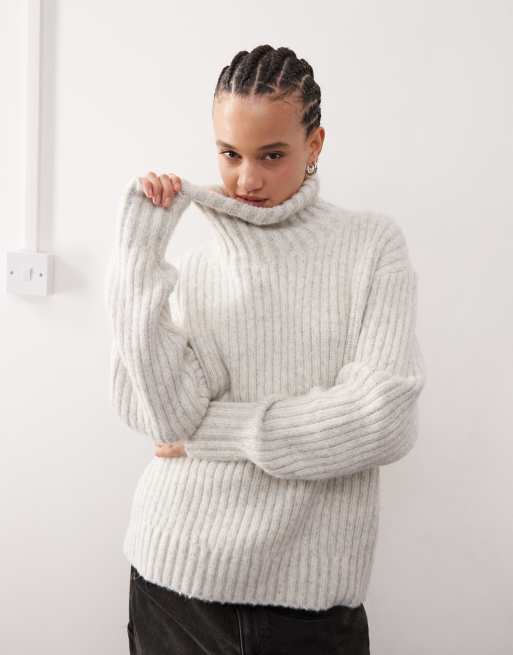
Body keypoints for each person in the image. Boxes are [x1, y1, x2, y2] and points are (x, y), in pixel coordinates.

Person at [105, 44, 426, 654]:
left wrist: (214, 435)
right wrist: (139, 257)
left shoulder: (370, 246)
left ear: (315, 144)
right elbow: (162, 416)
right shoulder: (199, 264)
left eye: (272, 155)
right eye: (230, 154)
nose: (247, 180)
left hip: (308, 605)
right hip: (173, 583)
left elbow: (384, 418)